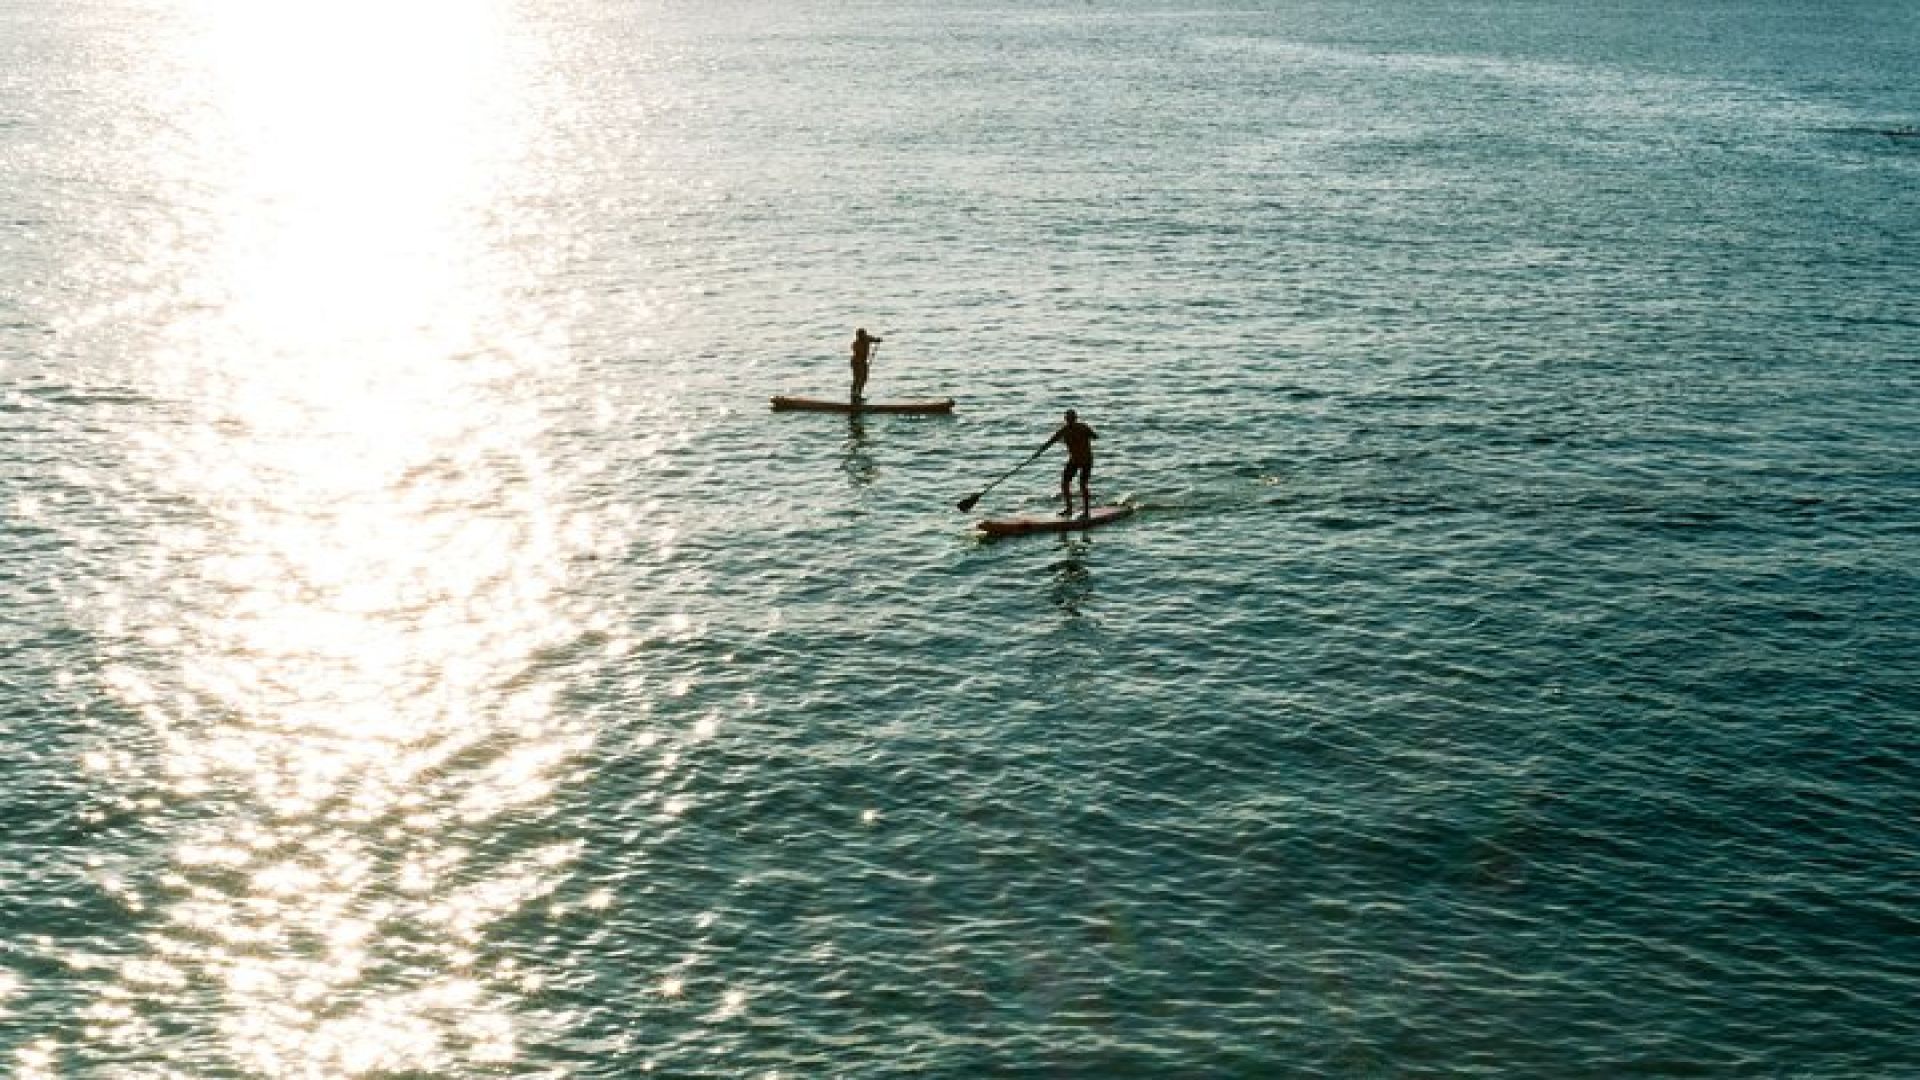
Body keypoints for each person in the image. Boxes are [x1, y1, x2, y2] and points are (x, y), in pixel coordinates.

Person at [1043, 409, 1098, 517]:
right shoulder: (1064, 430)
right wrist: (1039, 451)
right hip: (1074, 460)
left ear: (1075, 419)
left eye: (1072, 419)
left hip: (1086, 460)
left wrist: (1085, 435)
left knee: (1082, 485)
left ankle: (1086, 512)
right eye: (1068, 419)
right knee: (1065, 483)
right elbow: (1051, 441)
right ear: (1066, 420)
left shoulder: (1083, 427)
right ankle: (1069, 509)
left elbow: (1095, 436)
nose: (1070, 421)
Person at [849, 328, 881, 402]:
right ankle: (853, 395)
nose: (862, 337)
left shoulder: (867, 338)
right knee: (857, 379)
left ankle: (859, 395)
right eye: (861, 336)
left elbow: (873, 339)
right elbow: (859, 353)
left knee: (864, 379)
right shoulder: (855, 344)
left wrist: (877, 340)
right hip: (856, 362)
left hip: (863, 362)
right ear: (858, 336)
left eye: (863, 335)